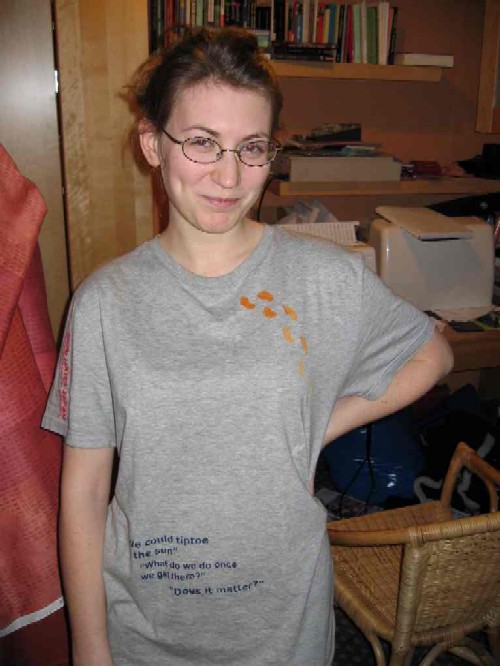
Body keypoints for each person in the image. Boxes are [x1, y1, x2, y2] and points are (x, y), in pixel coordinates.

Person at [42, 27, 454, 666]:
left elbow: (433, 353)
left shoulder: (324, 279)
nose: (229, 175)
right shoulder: (104, 303)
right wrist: (89, 648)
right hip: (143, 626)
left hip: (282, 628)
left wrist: (322, 420)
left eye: (252, 147)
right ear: (153, 144)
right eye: (202, 142)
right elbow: (85, 490)